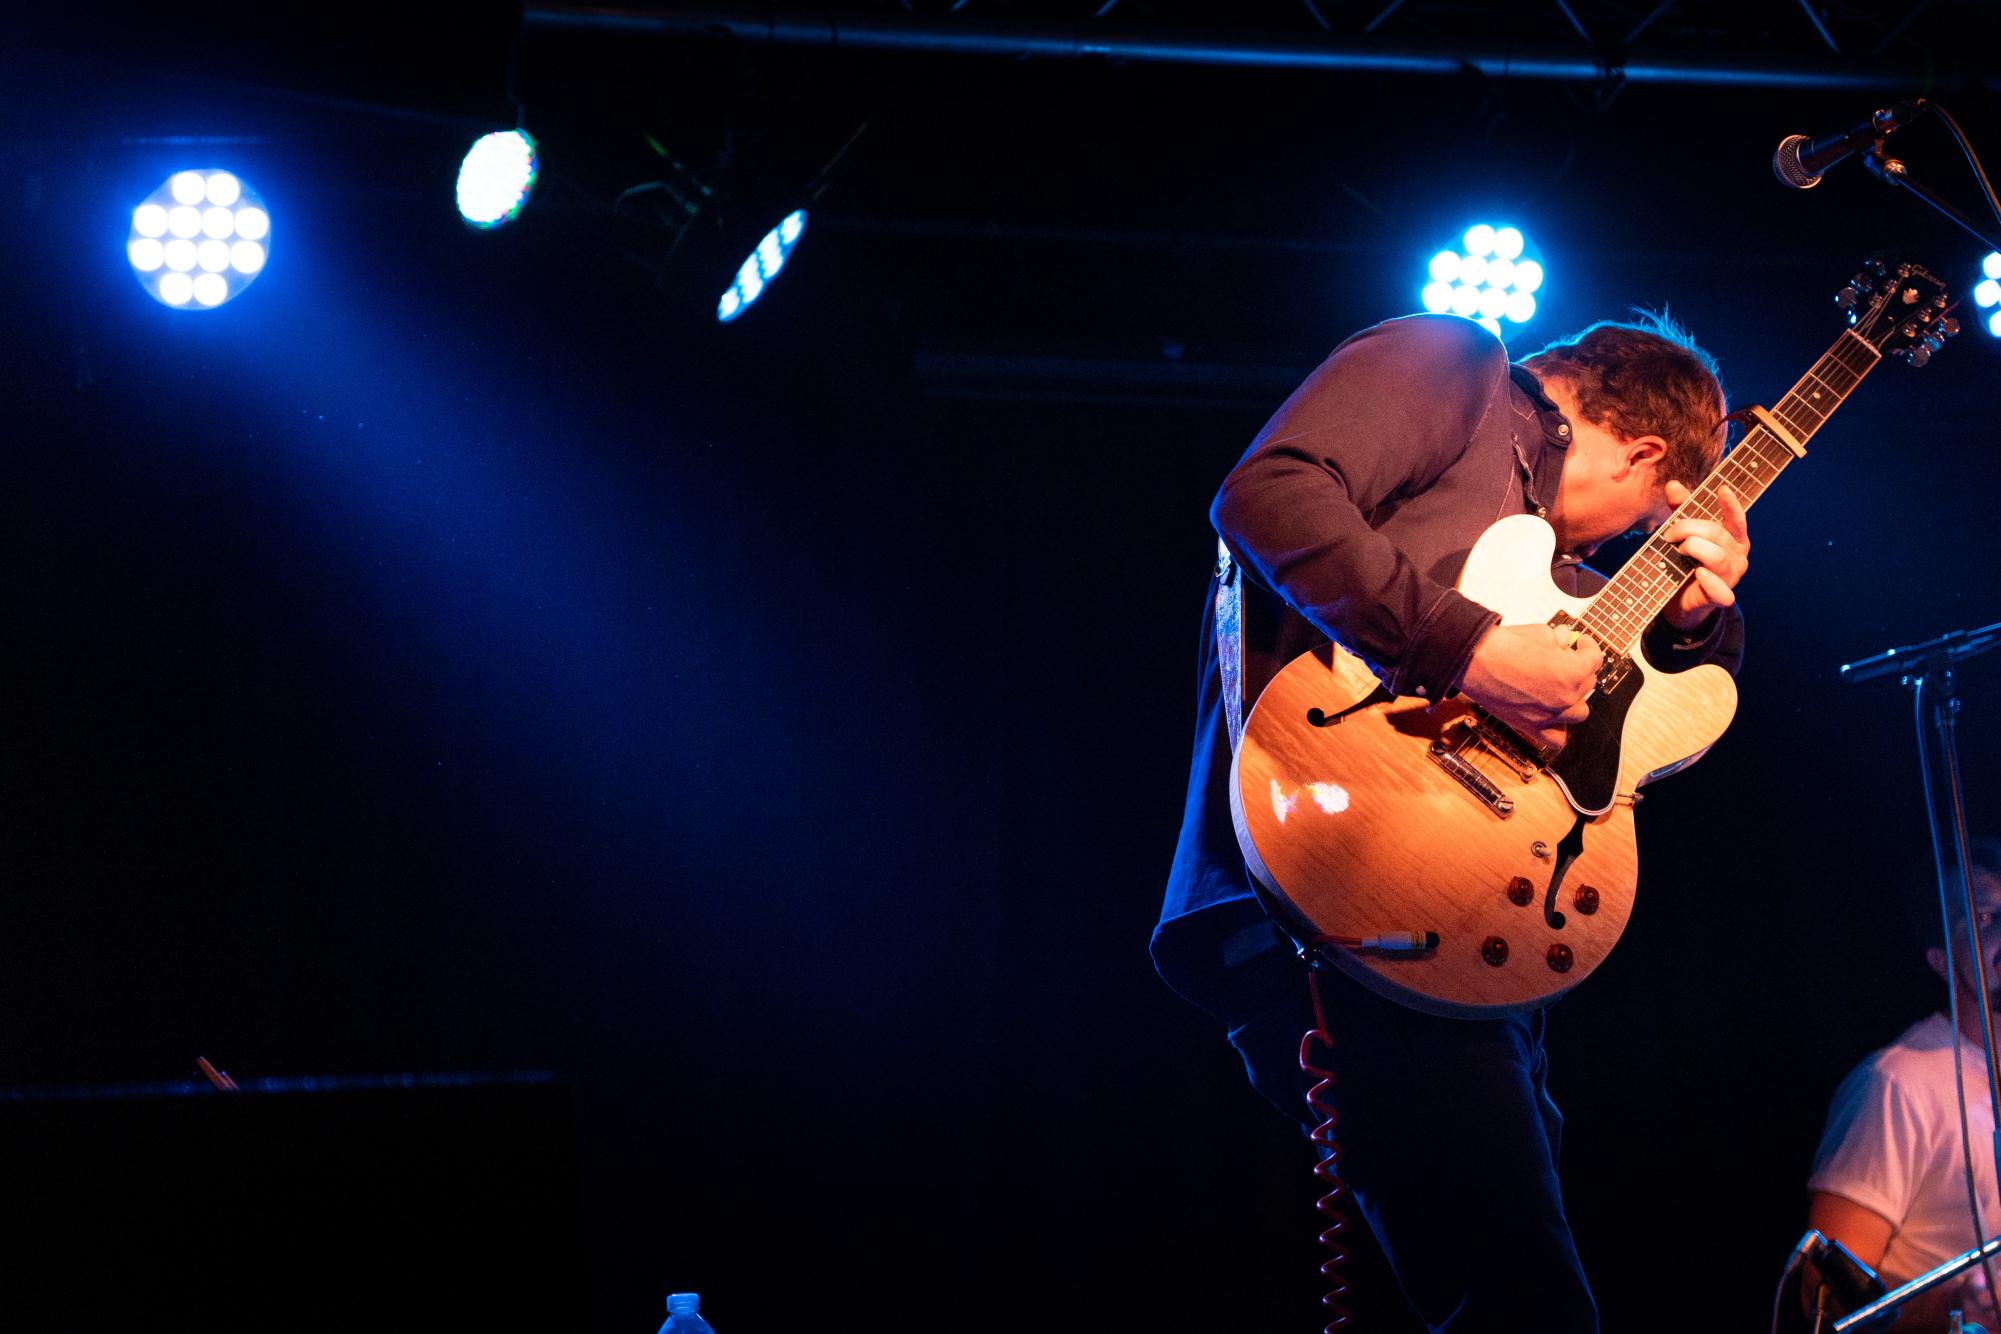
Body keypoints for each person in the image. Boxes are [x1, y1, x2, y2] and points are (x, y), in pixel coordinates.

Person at [1155, 310, 1750, 1331]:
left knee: (1482, 1289)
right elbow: (1268, 492)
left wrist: (1698, 622)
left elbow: (1642, 734)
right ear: (1647, 454)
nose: (1604, 554)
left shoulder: (1540, 564)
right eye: (1631, 526)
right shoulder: (1457, 364)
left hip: (1464, 933)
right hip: (1345, 882)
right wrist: (1467, 650)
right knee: (1529, 1302)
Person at [1806, 838, 2001, 1331]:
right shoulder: (1895, 1084)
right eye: (1982, 919)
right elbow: (1822, 1299)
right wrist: (1955, 1306)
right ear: (1940, 959)